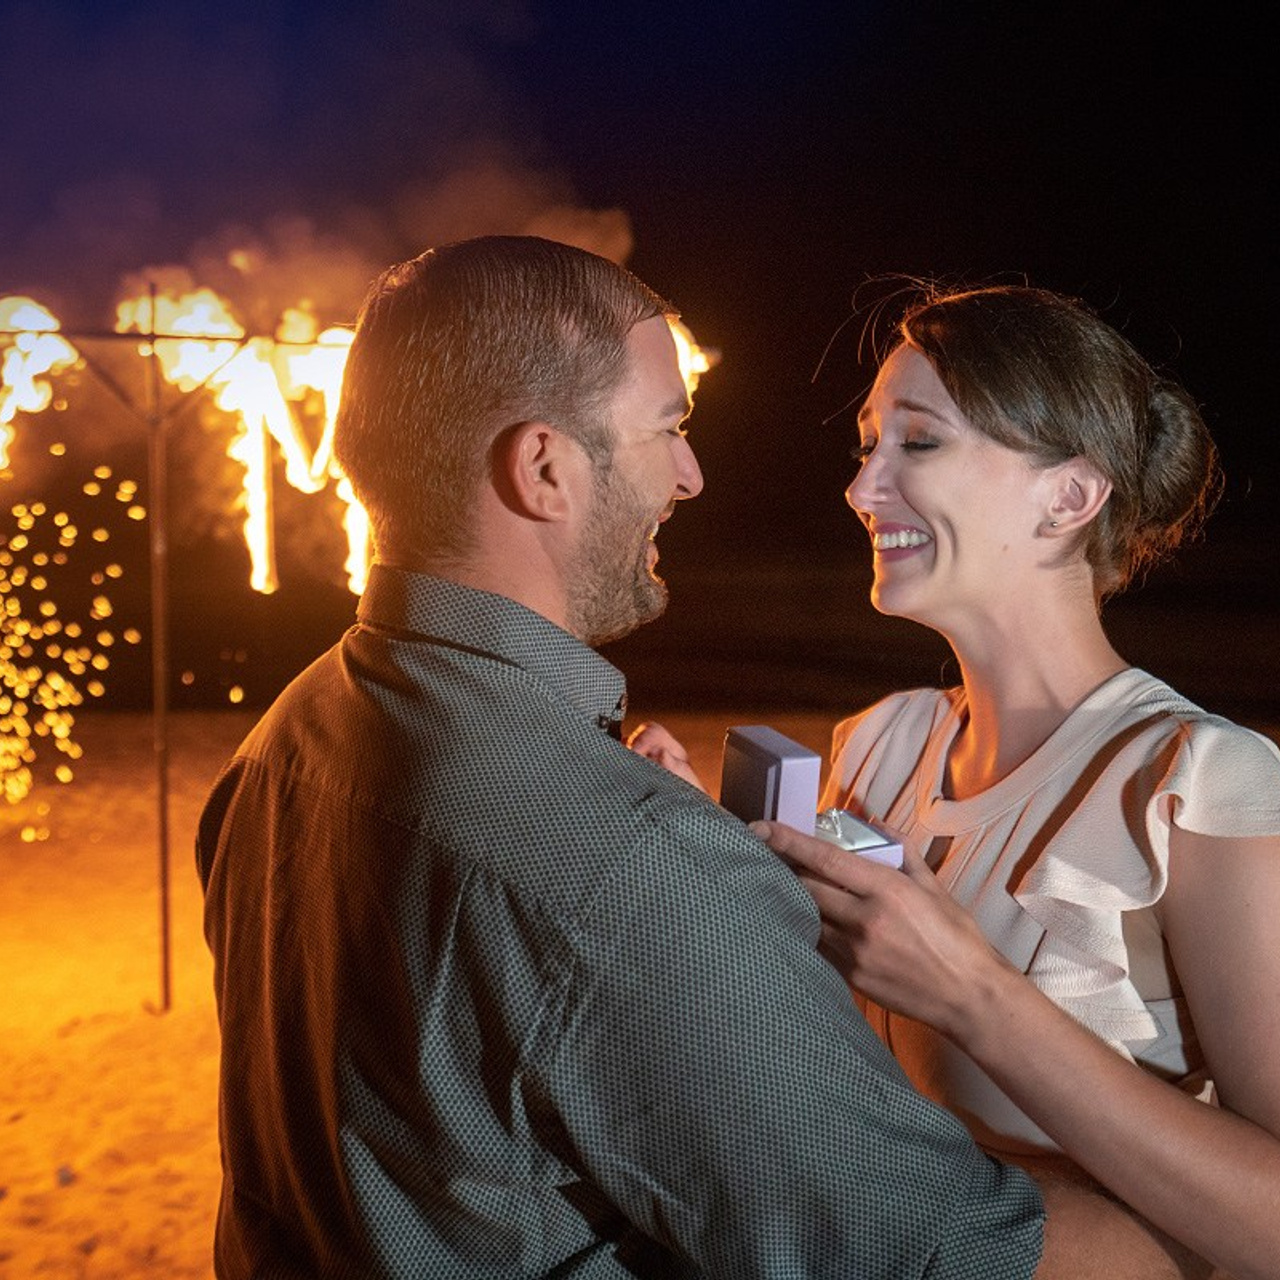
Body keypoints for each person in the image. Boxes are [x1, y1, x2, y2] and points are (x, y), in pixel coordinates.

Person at [194, 239, 1056, 1279]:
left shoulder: (287, 738)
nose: (689, 475)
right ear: (545, 468)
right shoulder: (629, 864)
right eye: (667, 428)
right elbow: (943, 1256)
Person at [645, 283, 1280, 1279]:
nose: (862, 487)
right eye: (866, 446)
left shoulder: (1193, 783)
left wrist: (977, 996)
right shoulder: (875, 748)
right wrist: (702, 857)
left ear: (1067, 495)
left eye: (919, 442)